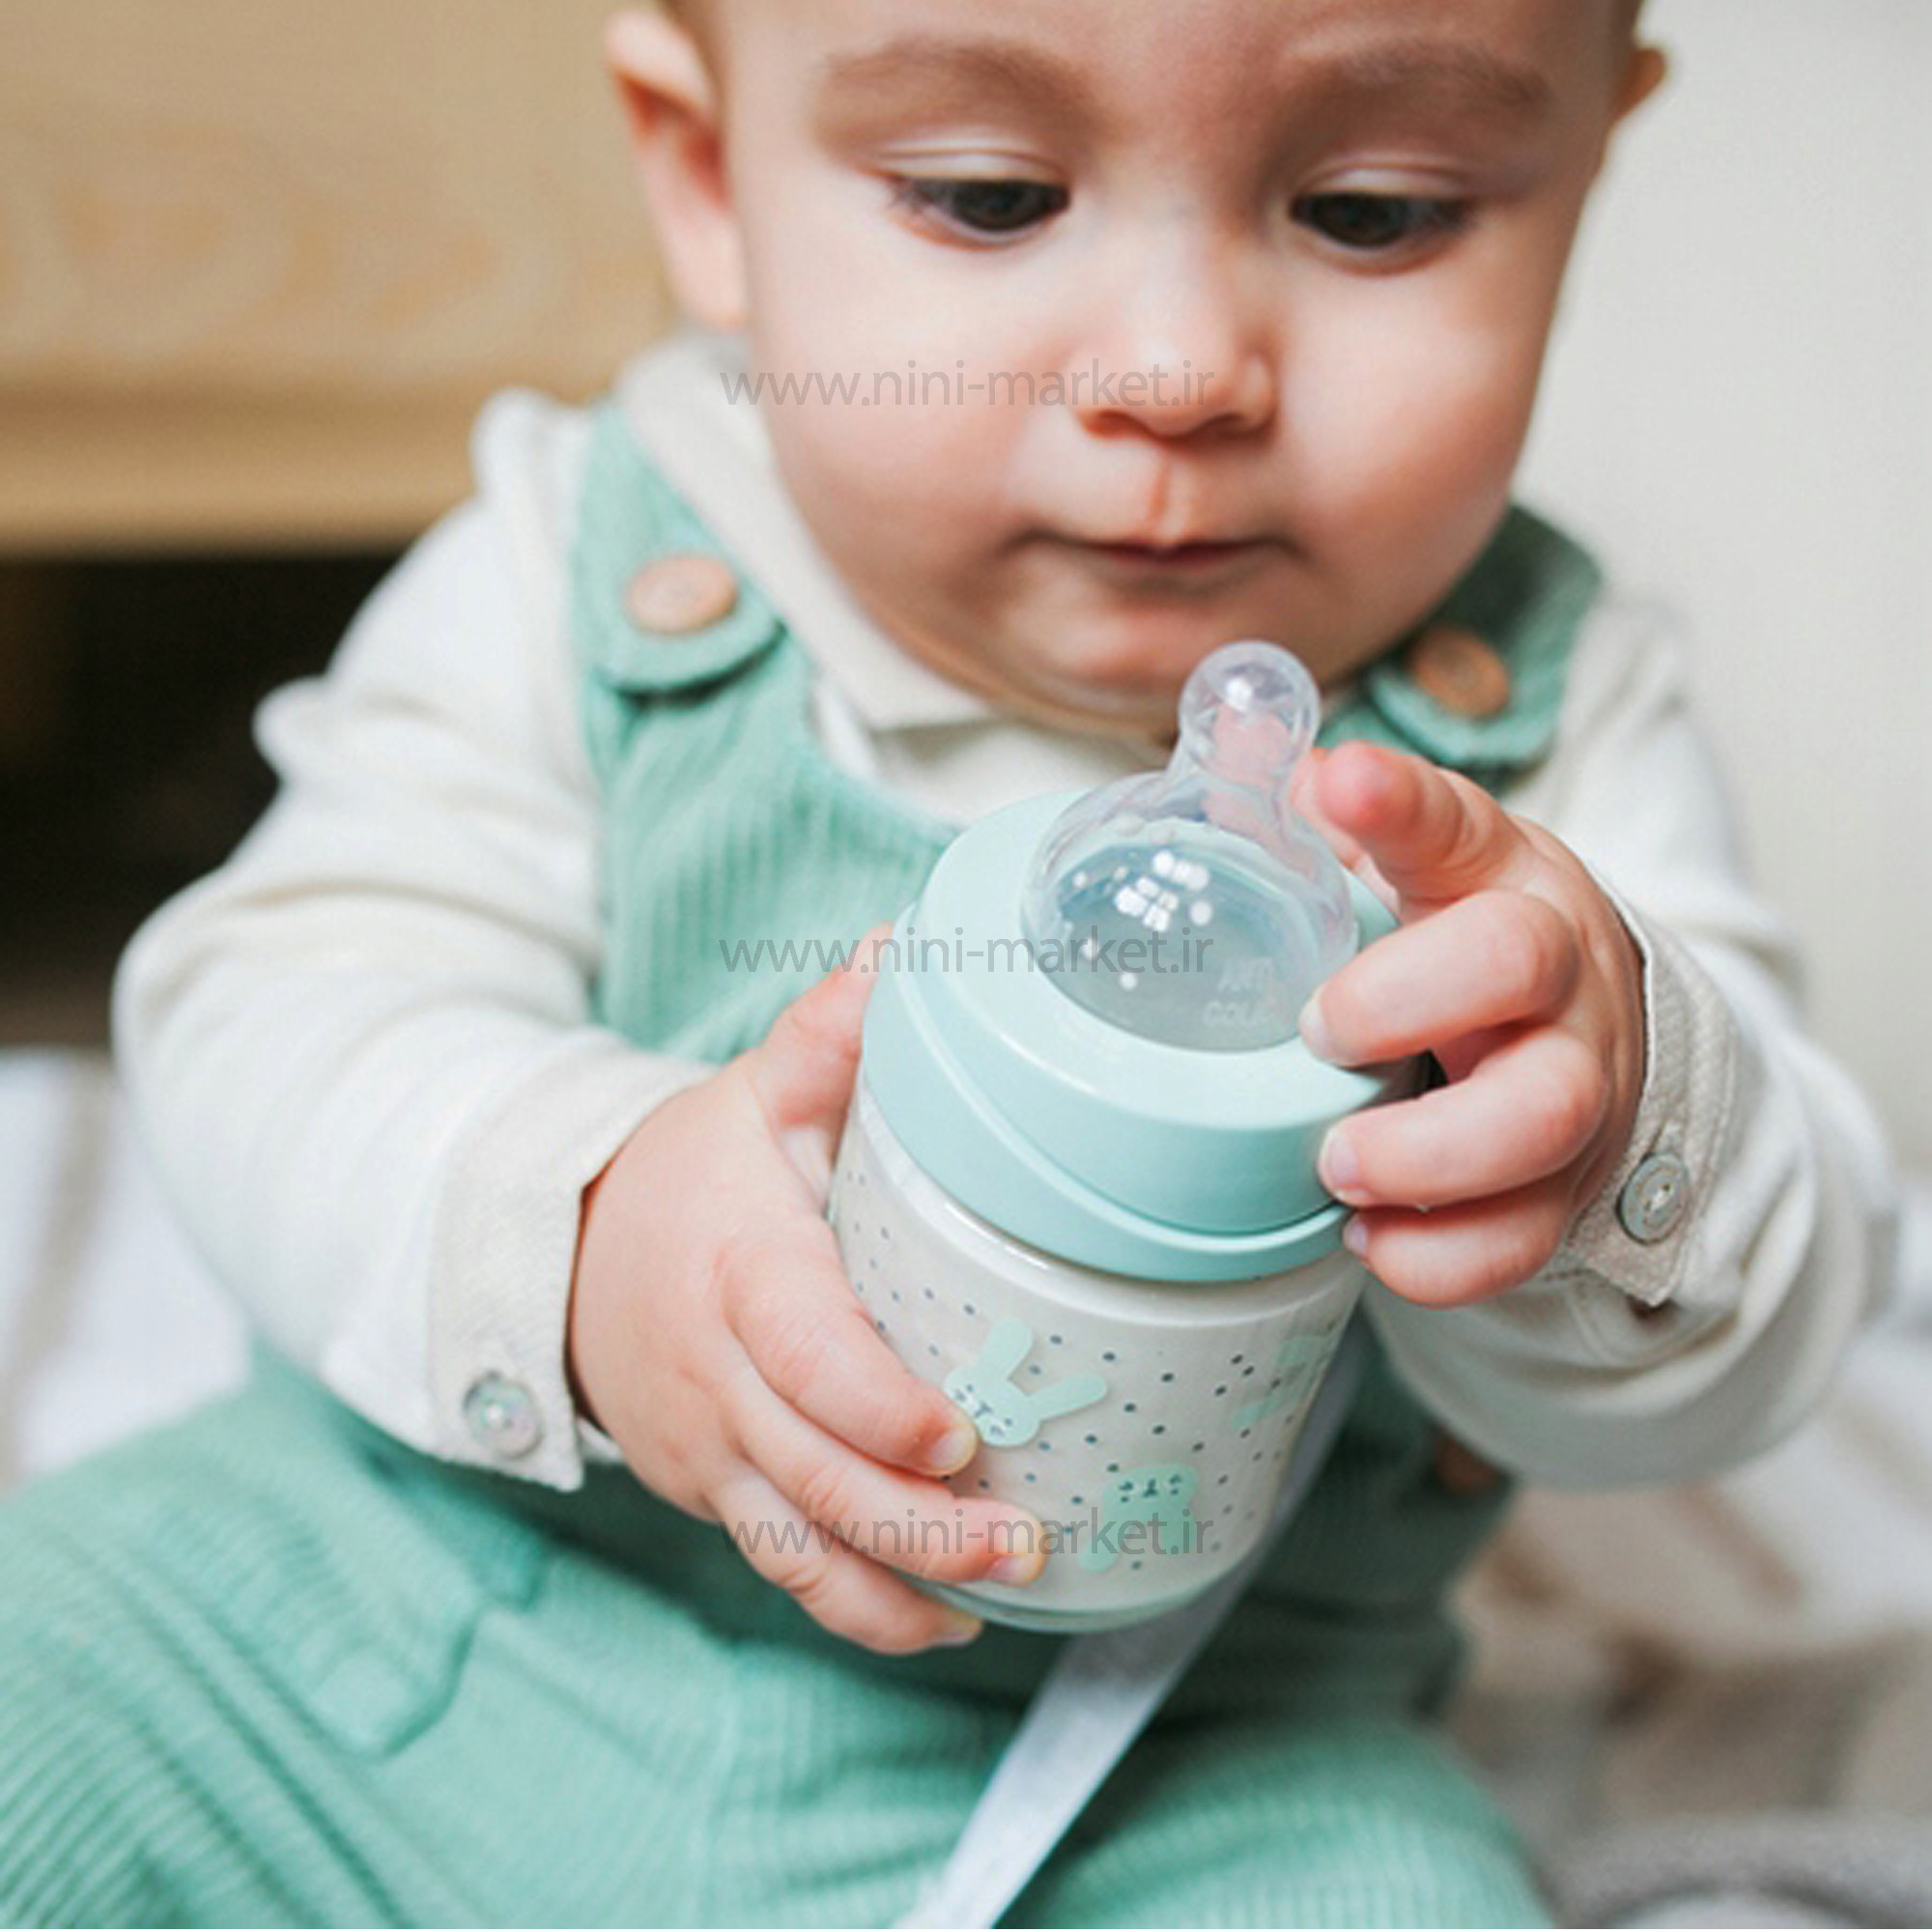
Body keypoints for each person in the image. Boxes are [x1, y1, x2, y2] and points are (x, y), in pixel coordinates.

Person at [0, 1, 1900, 1923]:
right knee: (46, 1685)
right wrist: (581, 1227)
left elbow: (1778, 1300)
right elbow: (269, 1003)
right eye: (989, 196)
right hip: (408, 1623)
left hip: (1176, 1762)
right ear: (705, 177)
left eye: (1373, 212)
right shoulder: (589, 558)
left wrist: (1611, 1130)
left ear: (1578, 181)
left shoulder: (1553, 745)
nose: (1177, 371)